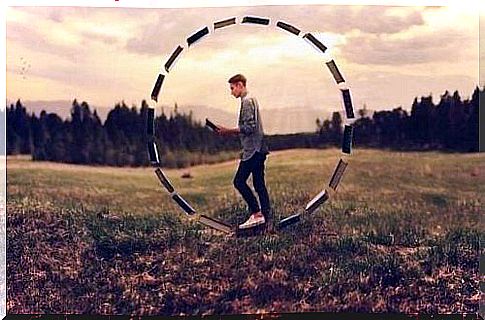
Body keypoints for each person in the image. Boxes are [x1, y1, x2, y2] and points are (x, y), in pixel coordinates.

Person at [216, 74, 272, 230]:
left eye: (232, 88)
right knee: (259, 184)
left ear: (240, 85)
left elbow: (250, 127)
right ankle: (266, 220)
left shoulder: (247, 102)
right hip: (259, 148)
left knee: (239, 181)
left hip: (253, 150)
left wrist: (228, 131)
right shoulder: (251, 99)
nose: (231, 92)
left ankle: (256, 214)